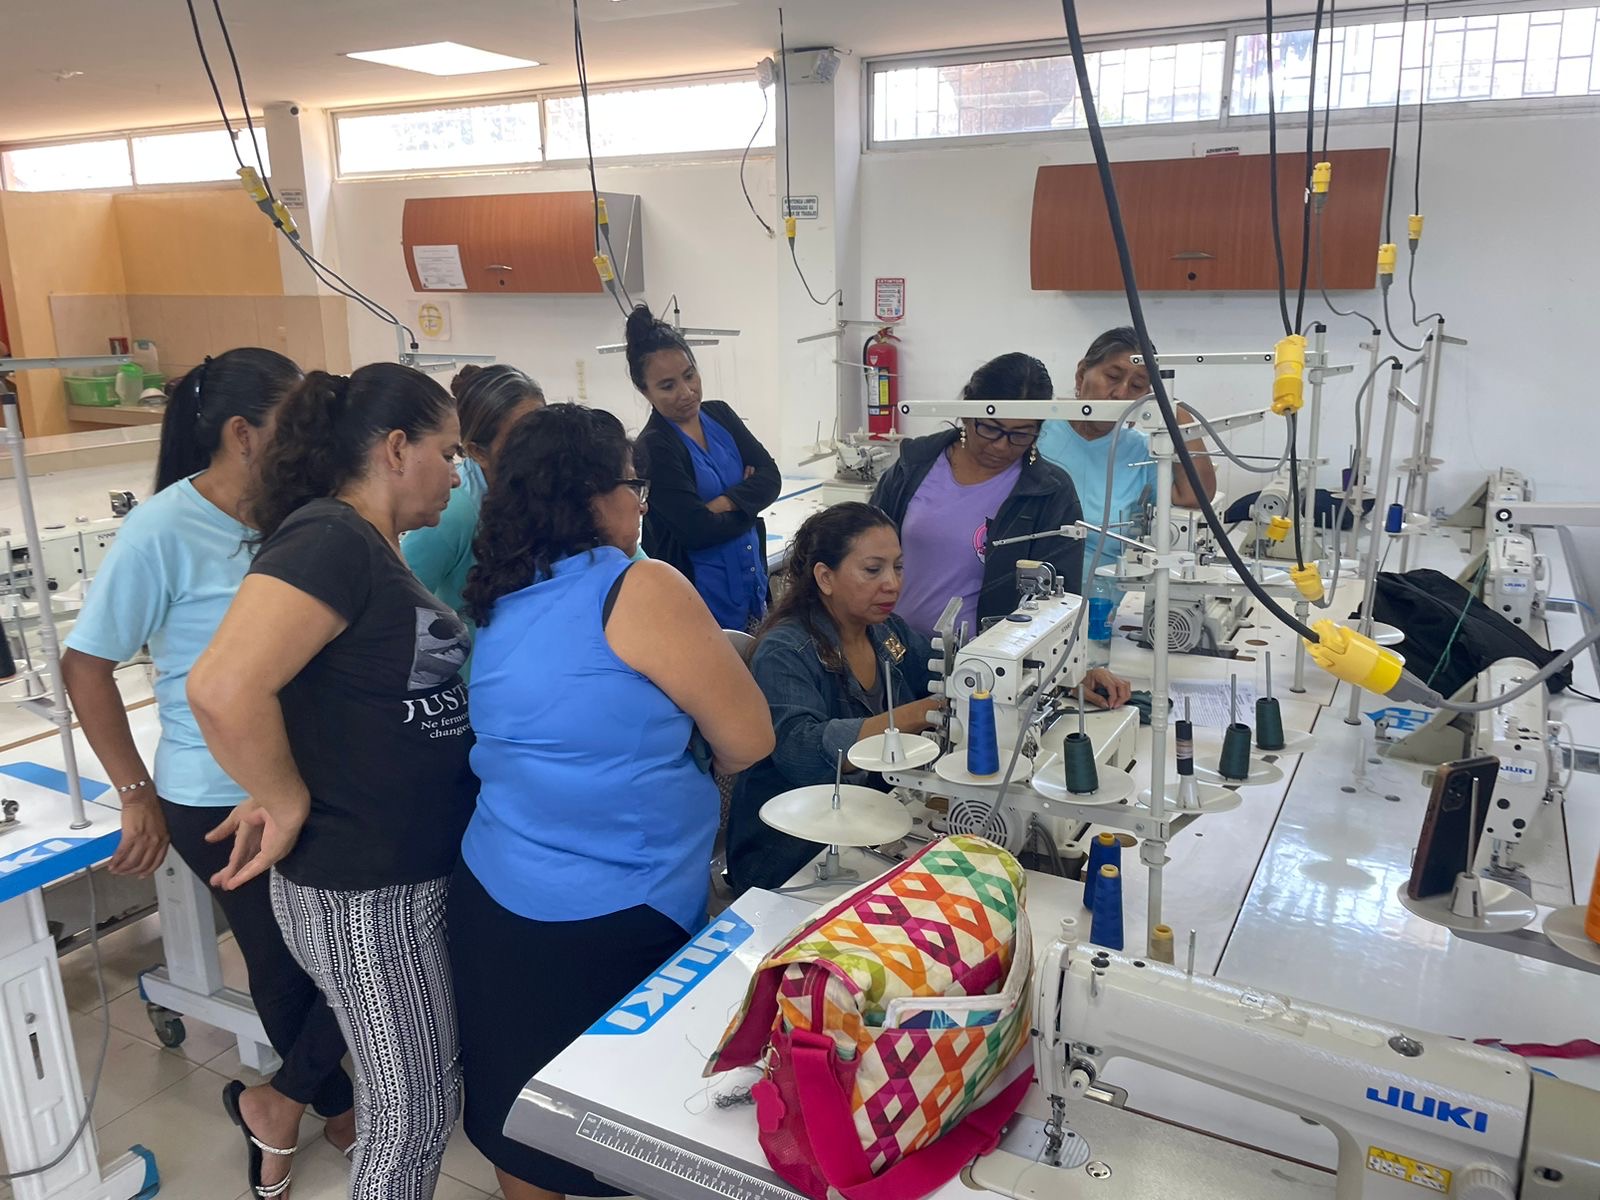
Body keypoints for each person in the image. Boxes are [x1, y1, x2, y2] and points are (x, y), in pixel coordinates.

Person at [449, 403, 774, 1200]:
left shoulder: (500, 593)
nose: (641, 504)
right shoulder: (640, 586)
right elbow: (749, 740)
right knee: (622, 1133)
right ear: (592, 493)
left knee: (522, 1116)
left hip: (494, 896)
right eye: (634, 485)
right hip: (616, 907)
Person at [61, 348, 356, 1200]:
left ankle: (285, 1099)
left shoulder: (301, 512)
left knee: (351, 952)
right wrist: (134, 793)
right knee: (287, 962)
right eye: (294, 423)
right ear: (241, 434)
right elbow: (86, 665)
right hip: (217, 791)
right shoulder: (163, 530)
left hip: (309, 776)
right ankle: (327, 1106)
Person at [188, 363, 477, 1200]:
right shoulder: (330, 538)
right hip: (365, 890)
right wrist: (283, 797)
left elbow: (320, 690)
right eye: (448, 452)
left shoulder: (366, 543)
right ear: (396, 449)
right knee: (411, 1119)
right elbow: (223, 688)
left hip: (396, 874)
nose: (457, 473)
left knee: (416, 1104)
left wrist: (284, 772)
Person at [870, 352, 1131, 708]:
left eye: (1020, 435)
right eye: (990, 428)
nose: (1001, 445)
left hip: (985, 675)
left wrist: (1074, 667)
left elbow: (1059, 602)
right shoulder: (914, 466)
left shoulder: (1049, 493)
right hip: (889, 655)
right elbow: (863, 552)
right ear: (968, 410)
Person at [725, 503, 942, 893]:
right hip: (788, 853)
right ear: (825, 577)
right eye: (873, 570)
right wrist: (916, 715)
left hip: (862, 823)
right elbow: (802, 753)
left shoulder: (888, 634)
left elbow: (945, 678)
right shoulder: (785, 651)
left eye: (898, 567)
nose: (892, 583)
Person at [627, 303, 781, 631]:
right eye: (667, 386)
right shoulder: (654, 447)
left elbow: (771, 479)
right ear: (644, 391)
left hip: (750, 583)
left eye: (689, 375)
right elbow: (697, 531)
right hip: (698, 598)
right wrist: (748, 502)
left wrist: (721, 503)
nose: (687, 392)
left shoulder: (720, 414)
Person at [1037, 327, 1217, 578]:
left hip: (1106, 591)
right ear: (1081, 375)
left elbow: (1197, 496)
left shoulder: (1141, 452)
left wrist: (1173, 411)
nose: (1121, 393)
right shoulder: (1037, 432)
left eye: (1137, 386)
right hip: (1037, 586)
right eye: (1112, 376)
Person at [402, 363, 545, 634]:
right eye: (521, 439)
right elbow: (397, 607)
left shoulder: (543, 496)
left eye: (544, 432)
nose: (539, 448)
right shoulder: (452, 513)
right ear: (478, 452)